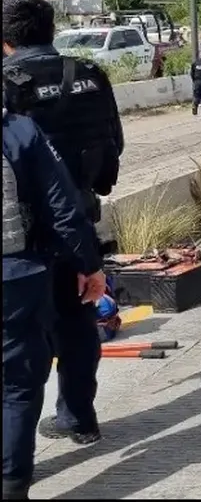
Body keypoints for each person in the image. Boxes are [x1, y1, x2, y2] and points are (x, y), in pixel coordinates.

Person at [1, 0, 123, 447]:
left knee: (19, 342)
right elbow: (114, 146)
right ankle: (78, 416)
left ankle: (16, 453)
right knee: (76, 323)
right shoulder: (91, 75)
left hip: (21, 238)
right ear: (50, 30)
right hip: (80, 224)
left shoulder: (7, 83)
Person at [3, 103, 107, 501]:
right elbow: (63, 207)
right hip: (15, 276)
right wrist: (89, 265)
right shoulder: (20, 131)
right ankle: (12, 484)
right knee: (17, 385)